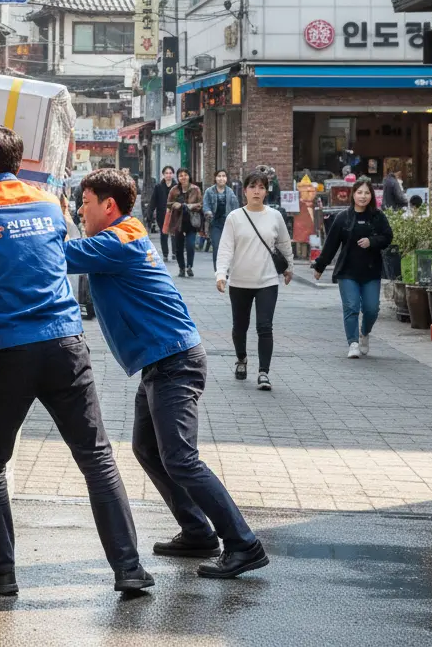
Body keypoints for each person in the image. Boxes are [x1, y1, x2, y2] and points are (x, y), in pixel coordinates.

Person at [0, 124, 152, 595]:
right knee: (97, 459)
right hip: (65, 344)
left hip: (8, 351)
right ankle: (129, 568)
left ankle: (2, 572)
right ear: (20, 162)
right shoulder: (52, 203)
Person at [65, 169, 270, 579]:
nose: (80, 212)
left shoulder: (119, 238)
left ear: (108, 206)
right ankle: (197, 531)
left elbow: (62, 257)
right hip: (163, 360)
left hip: (174, 361)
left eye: (84, 204)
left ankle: (243, 543)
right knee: (148, 449)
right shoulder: (121, 234)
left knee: (180, 458)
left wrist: (43, 219)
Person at [215, 172, 294, 392]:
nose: (256, 191)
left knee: (264, 326)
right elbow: (226, 249)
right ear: (245, 191)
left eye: (261, 187)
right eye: (252, 187)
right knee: (240, 326)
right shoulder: (234, 217)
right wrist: (221, 274)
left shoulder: (275, 216)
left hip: (267, 280)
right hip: (239, 281)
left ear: (266, 191)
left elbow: (285, 244)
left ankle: (263, 372)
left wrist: (289, 268)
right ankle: (241, 359)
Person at [313, 176, 394, 359]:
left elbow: (388, 237)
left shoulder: (377, 217)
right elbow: (331, 244)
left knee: (372, 309)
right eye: (359, 192)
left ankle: (364, 333)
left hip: (371, 271)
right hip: (347, 271)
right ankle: (353, 343)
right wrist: (320, 266)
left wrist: (371, 241)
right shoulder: (343, 217)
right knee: (351, 307)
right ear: (353, 195)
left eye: (366, 193)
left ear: (371, 195)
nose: (363, 196)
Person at [168, 168, 203, 278]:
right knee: (178, 247)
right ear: (178, 178)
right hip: (178, 222)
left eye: (185, 175)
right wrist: (175, 204)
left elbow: (201, 204)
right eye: (180, 175)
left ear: (189, 176)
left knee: (190, 245)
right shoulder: (174, 190)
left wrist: (189, 206)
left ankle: (189, 266)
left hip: (191, 221)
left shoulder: (195, 189)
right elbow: (168, 203)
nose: (183, 177)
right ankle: (181, 268)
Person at [203, 170, 239, 270]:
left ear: (226, 179)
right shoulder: (209, 191)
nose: (221, 178)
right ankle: (218, 270)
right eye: (219, 176)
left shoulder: (231, 192)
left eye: (223, 176)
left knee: (228, 248)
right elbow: (205, 205)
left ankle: (227, 268)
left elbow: (236, 208)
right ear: (215, 178)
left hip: (228, 223)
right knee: (217, 246)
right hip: (215, 223)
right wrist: (208, 212)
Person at [148, 166, 176, 262]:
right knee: (164, 234)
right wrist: (150, 212)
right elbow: (153, 201)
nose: (168, 175)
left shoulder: (176, 187)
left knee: (174, 233)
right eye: (166, 173)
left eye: (170, 173)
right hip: (162, 214)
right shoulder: (158, 187)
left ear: (173, 174)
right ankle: (165, 253)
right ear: (163, 175)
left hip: (174, 214)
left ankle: (174, 252)